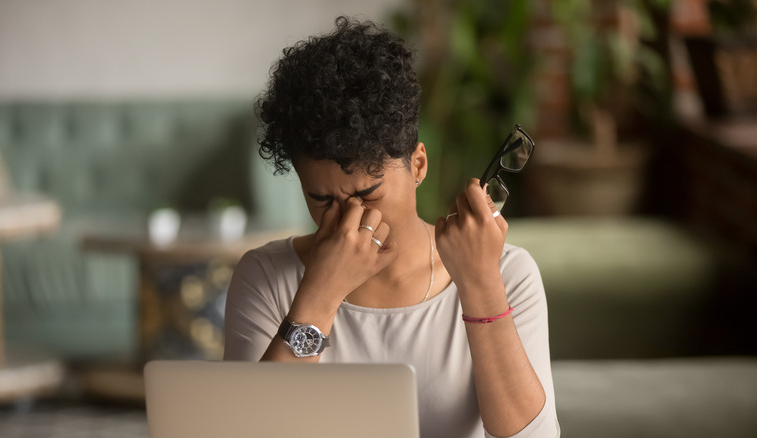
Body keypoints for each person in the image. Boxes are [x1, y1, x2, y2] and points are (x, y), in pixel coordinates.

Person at [223, 16, 559, 438]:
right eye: (322, 200)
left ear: (417, 164)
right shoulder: (266, 277)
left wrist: (480, 286)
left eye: (368, 194)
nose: (349, 218)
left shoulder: (509, 273)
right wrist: (320, 294)